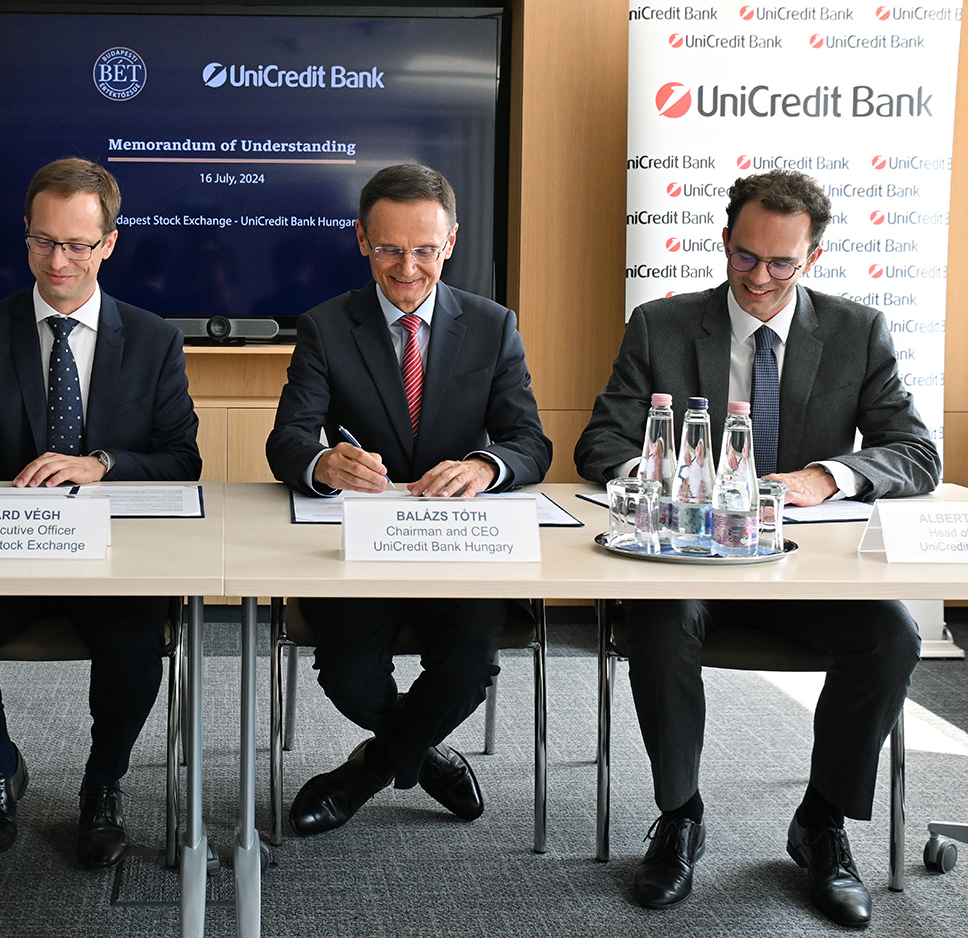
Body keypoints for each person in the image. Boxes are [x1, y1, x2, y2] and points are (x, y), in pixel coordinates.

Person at [575, 168, 940, 927]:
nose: (760, 277)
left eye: (782, 263)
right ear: (724, 241)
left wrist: (827, 476)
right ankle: (680, 816)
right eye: (745, 256)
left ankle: (822, 823)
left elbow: (915, 452)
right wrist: (670, 474)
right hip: (690, 563)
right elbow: (600, 442)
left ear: (813, 256)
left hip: (802, 573)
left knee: (892, 635)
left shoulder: (857, 330)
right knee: (657, 622)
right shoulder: (662, 325)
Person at [0, 157, 201, 869]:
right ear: (25, 234)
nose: (57, 261)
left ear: (109, 244)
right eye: (42, 241)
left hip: (114, 557)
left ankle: (103, 784)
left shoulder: (153, 339)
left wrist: (103, 463)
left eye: (77, 245)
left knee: (134, 649)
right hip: (9, 547)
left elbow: (181, 459)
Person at [266, 163, 552, 838]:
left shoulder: (493, 326)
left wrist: (484, 466)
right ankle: (423, 754)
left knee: (468, 666)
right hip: (358, 546)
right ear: (362, 239)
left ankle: (369, 769)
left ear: (450, 241)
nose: (407, 268)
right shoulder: (326, 326)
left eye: (425, 249)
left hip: (459, 545)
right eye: (389, 249)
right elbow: (287, 441)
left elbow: (529, 443)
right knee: (347, 674)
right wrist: (322, 463)